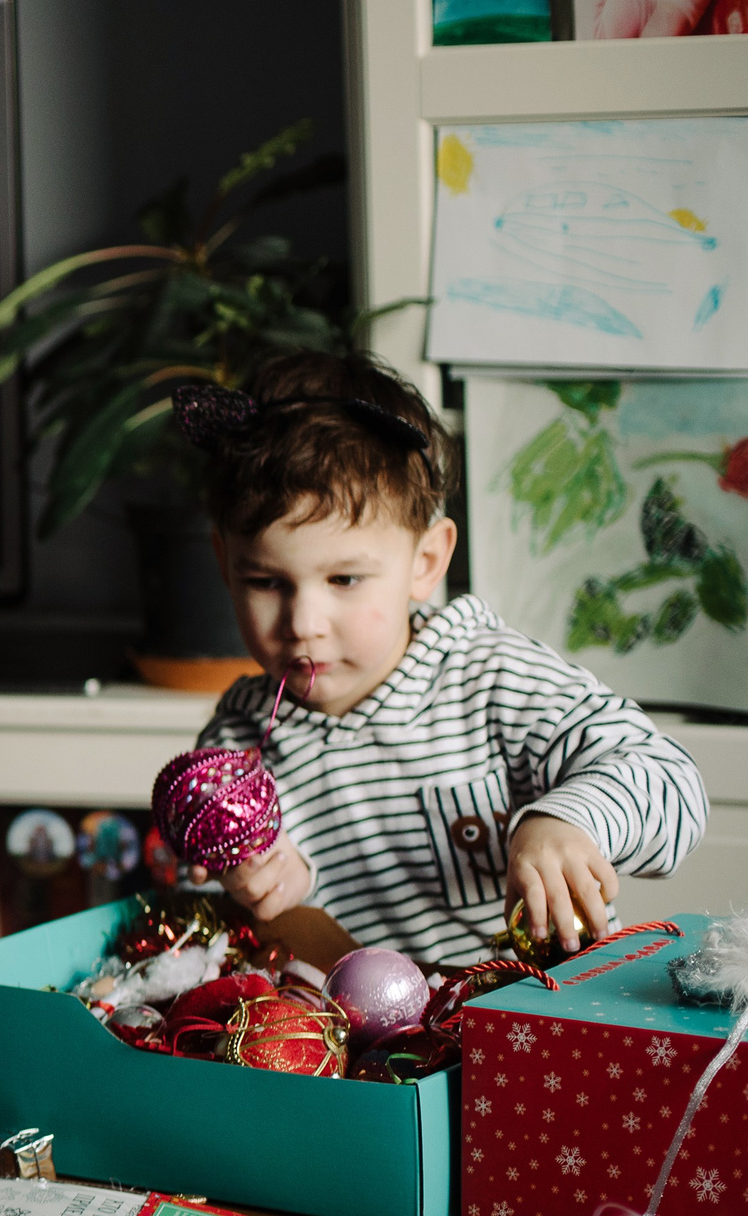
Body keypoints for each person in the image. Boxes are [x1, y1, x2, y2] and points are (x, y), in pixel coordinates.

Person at [181, 351, 706, 966]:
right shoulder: (239, 741)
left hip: (551, 1027)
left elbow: (670, 782)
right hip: (381, 1055)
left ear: (427, 563)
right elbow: (256, 924)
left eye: (345, 579)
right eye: (267, 582)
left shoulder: (493, 679)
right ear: (225, 563)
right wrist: (271, 885)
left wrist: (568, 822)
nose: (303, 624)